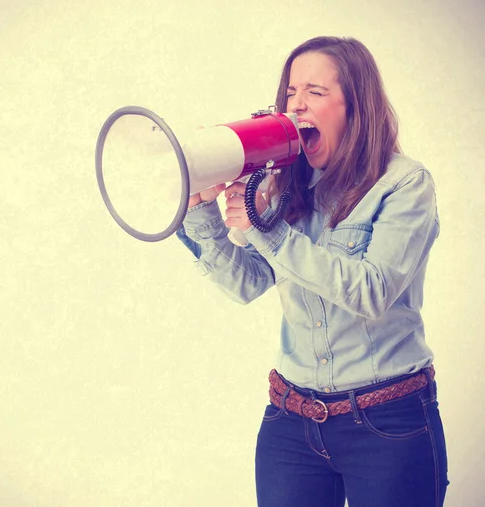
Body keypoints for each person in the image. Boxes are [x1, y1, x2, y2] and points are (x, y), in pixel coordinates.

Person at [176, 36, 448, 507]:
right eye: (290, 93)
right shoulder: (284, 181)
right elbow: (247, 284)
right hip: (290, 425)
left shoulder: (404, 184)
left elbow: (371, 290)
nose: (296, 105)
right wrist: (202, 212)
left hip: (387, 425)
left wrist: (266, 226)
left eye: (315, 93)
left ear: (355, 106)